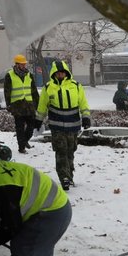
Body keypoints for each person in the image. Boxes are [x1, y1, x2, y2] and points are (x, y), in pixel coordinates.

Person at [36, 60, 91, 191]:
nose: (60, 75)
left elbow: (83, 103)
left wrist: (86, 117)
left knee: (70, 151)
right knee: (61, 151)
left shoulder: (76, 86)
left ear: (66, 73)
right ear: (53, 74)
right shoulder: (48, 87)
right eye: (58, 73)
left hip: (73, 126)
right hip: (56, 127)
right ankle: (64, 178)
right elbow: (42, 105)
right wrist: (38, 120)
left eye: (62, 73)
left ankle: (69, 175)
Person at [3, 54, 40, 154]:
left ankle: (24, 141)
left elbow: (34, 91)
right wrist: (9, 105)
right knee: (19, 128)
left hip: (29, 106)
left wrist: (38, 103)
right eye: (22, 64)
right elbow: (7, 92)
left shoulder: (29, 75)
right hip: (17, 106)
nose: (24, 66)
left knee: (31, 127)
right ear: (17, 64)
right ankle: (21, 147)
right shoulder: (10, 75)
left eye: (25, 64)